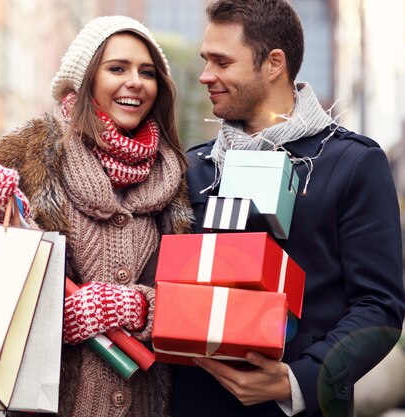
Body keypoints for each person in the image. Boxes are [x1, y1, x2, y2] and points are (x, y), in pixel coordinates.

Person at [173, 1, 405, 417]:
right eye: (206, 60)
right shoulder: (193, 167)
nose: (206, 75)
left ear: (274, 63)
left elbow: (380, 306)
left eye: (222, 62)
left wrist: (297, 380)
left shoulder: (353, 164)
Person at [0, 15, 193, 417]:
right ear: (85, 79)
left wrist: (139, 307)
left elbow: (194, 300)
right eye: (117, 68)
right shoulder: (27, 160)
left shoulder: (175, 175)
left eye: (147, 72)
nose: (135, 82)